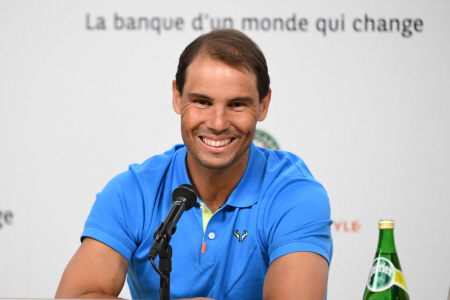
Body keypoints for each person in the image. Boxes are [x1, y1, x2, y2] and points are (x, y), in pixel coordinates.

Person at [55, 29, 333, 300]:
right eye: (202, 102)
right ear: (177, 97)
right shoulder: (133, 190)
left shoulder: (294, 194)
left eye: (237, 104)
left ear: (264, 103)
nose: (218, 123)